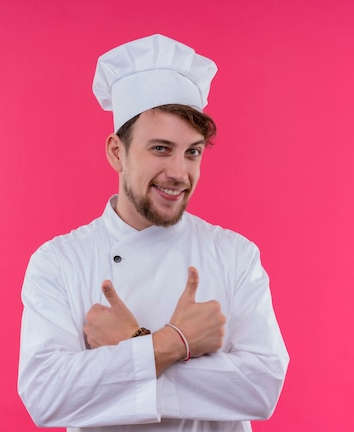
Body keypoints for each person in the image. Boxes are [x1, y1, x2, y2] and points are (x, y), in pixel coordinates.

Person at [18, 34, 289, 432]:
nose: (180, 172)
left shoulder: (235, 255)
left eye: (192, 151)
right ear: (117, 152)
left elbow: (261, 389)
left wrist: (131, 344)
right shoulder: (59, 262)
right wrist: (176, 343)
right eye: (161, 148)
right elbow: (46, 396)